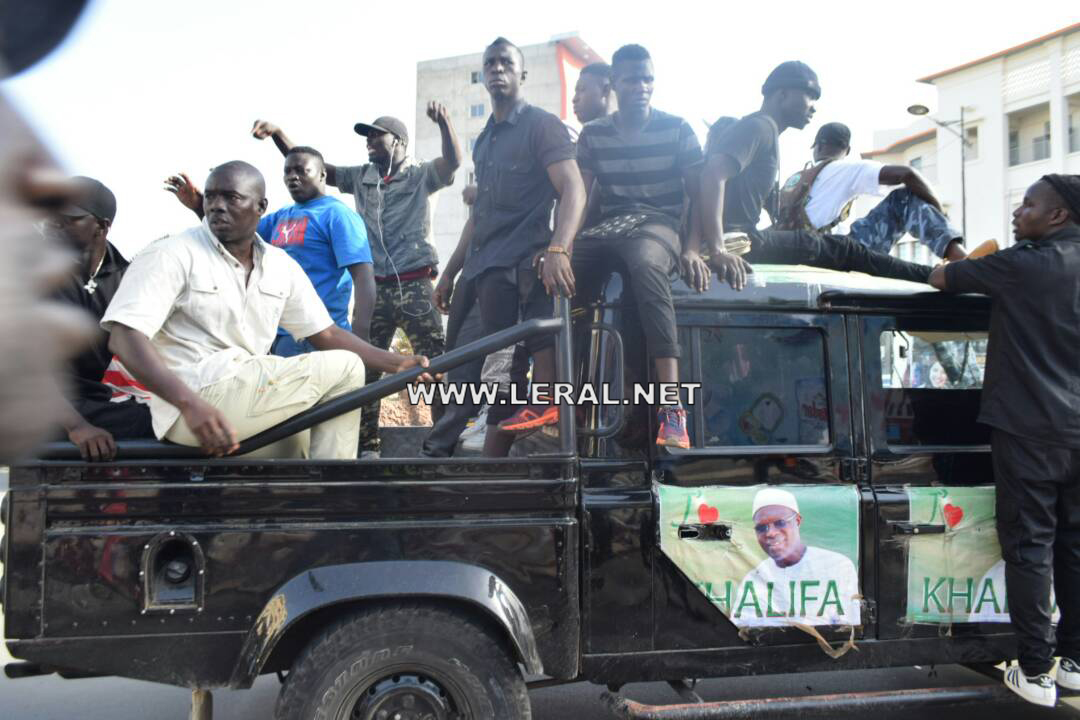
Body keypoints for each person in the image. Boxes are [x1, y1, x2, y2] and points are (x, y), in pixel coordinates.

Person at [103, 161, 432, 460]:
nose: (217, 206)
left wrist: (398, 362)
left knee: (300, 444)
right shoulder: (173, 253)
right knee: (346, 369)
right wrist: (189, 405)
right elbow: (124, 337)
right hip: (190, 404)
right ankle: (335, 495)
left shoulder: (279, 265)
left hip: (244, 404)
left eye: (231, 197)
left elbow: (327, 333)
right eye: (211, 197)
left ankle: (305, 518)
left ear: (261, 207)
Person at [513, 44, 742, 449]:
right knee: (547, 272)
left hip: (659, 225)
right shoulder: (595, 134)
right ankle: (556, 398)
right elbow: (578, 196)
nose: (641, 86)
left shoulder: (677, 129)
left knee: (646, 266)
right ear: (614, 84)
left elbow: (697, 197)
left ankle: (672, 408)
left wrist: (692, 248)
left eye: (648, 79)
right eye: (632, 79)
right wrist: (559, 247)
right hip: (611, 226)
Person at [928, 174, 1080, 708]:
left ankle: (1036, 671)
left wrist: (964, 255)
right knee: (1074, 546)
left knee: (1030, 547)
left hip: (1030, 432)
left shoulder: (1023, 265)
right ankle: (1075, 663)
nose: (1019, 212)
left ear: (1057, 216)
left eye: (1028, 204)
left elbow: (943, 276)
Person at [250, 105, 459, 457]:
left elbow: (452, 162)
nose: (370, 142)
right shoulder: (360, 177)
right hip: (375, 288)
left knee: (433, 366)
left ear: (400, 142)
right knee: (363, 367)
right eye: (367, 136)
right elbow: (313, 168)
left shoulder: (421, 174)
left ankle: (440, 444)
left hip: (416, 285)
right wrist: (277, 134)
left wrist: (445, 123)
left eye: (377, 135)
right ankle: (367, 447)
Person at [440, 37, 585, 457]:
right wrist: (450, 273)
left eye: (506, 63)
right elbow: (479, 215)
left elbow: (573, 188)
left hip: (529, 261)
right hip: (487, 268)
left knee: (536, 350)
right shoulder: (484, 141)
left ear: (522, 74)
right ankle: (492, 467)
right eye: (490, 63)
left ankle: (549, 404)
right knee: (500, 371)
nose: (497, 69)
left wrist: (559, 249)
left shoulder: (542, 125)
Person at [695, 61, 935, 288]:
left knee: (832, 248)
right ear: (782, 94)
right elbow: (711, 176)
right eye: (810, 95)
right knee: (844, 250)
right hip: (741, 242)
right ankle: (938, 276)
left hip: (745, 238)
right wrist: (718, 251)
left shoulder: (764, 131)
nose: (813, 106)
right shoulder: (760, 127)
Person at [165, 146, 375, 358]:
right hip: (277, 335)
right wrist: (198, 205)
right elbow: (236, 231)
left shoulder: (338, 215)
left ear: (322, 174)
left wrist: (360, 339)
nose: (292, 177)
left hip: (321, 336)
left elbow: (363, 276)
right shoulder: (280, 217)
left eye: (301, 171)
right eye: (288, 171)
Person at [49, 176, 153, 460]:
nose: (53, 222)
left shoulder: (128, 278)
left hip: (89, 400)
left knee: (161, 421)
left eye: (69, 217)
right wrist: (78, 427)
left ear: (102, 226)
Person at [775, 121, 967, 261]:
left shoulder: (794, 180)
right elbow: (908, 174)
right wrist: (940, 214)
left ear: (817, 147)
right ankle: (959, 256)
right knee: (903, 199)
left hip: (793, 250)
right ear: (847, 150)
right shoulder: (845, 169)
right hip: (829, 253)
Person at [737, 488, 860, 627]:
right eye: (761, 528)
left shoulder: (837, 566)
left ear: (798, 521)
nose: (770, 533)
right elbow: (741, 630)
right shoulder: (753, 579)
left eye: (780, 523)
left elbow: (849, 629)